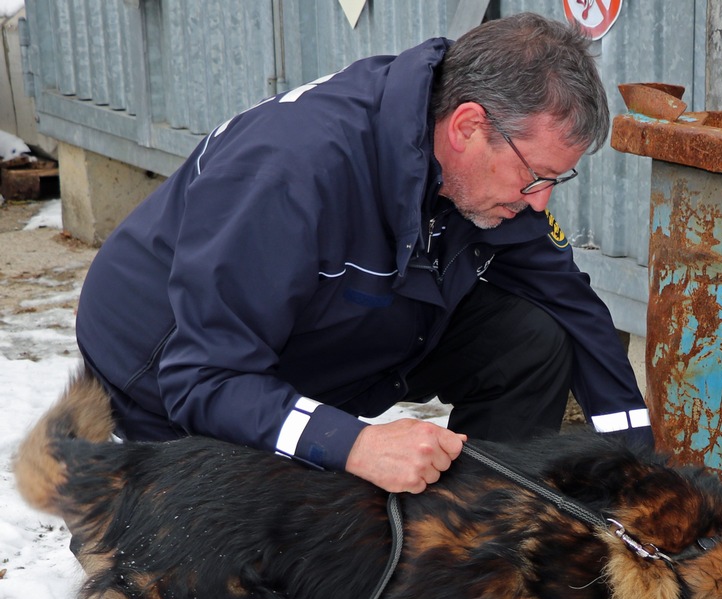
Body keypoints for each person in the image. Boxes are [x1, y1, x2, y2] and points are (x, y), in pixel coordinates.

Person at [74, 12, 652, 494]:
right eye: (535, 176)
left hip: (333, 332)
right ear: (468, 126)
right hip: (170, 376)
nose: (540, 200)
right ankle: (133, 510)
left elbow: (577, 312)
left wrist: (637, 476)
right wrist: (352, 443)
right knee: (264, 595)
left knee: (531, 336)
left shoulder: (482, 178)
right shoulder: (289, 173)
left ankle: (475, 540)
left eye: (555, 180)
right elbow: (205, 376)